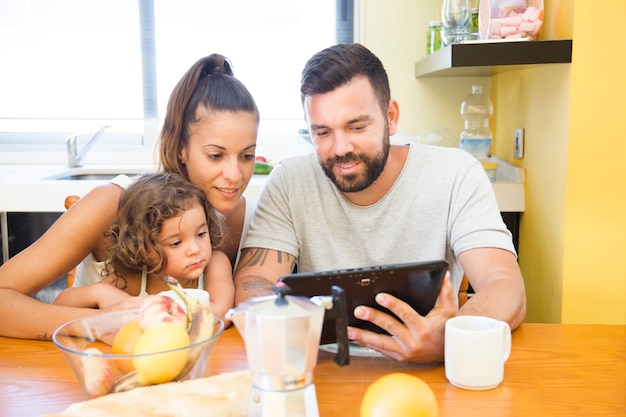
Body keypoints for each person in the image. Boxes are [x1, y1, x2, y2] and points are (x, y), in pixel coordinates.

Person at [234, 43, 526, 363]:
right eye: (322, 132)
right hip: (323, 366)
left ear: (391, 116)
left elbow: (505, 285)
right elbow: (253, 286)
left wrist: (452, 337)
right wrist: (290, 334)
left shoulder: (456, 173)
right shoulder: (289, 181)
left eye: (357, 126)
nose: (340, 147)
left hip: (431, 369)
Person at [0, 53, 259, 339]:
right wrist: (95, 321)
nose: (235, 176)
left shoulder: (254, 219)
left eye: (247, 156)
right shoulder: (113, 204)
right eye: (215, 155)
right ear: (181, 147)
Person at [53, 173, 234, 321]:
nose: (195, 249)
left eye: (201, 234)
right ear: (144, 250)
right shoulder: (134, 277)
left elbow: (221, 314)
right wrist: (99, 292)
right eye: (176, 243)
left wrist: (157, 310)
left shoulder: (215, 265)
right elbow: (60, 305)